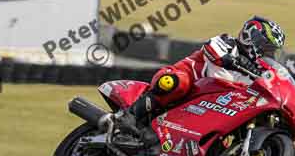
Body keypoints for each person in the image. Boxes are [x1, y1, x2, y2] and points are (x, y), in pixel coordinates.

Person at [109, 16, 286, 141]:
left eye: (272, 51)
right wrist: (233, 61)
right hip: (186, 83)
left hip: (209, 105)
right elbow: (212, 49)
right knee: (175, 83)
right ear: (250, 37)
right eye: (266, 47)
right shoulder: (227, 42)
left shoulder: (258, 73)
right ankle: (129, 118)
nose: (268, 53)